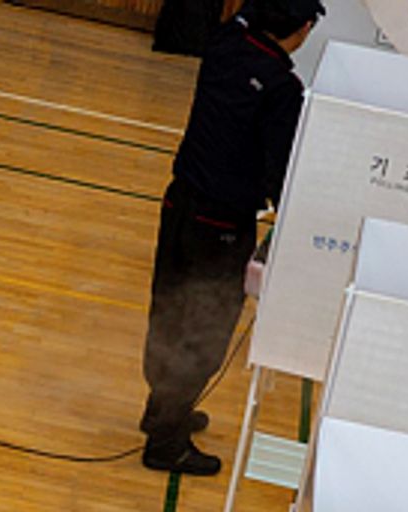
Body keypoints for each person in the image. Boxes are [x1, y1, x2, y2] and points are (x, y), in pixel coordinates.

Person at [139, 0, 322, 476]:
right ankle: (166, 444)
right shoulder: (282, 88)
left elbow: (245, 15)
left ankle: (160, 411)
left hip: (180, 203)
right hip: (221, 224)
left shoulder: (225, 45)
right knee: (204, 327)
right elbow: (280, 170)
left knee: (170, 308)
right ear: (303, 29)